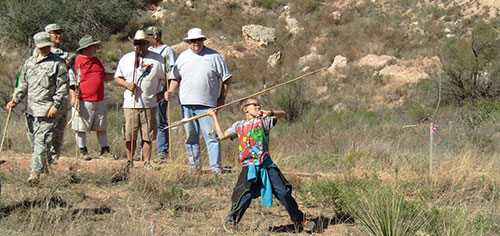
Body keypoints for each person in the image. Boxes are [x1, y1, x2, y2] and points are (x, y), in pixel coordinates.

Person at [207, 97, 315, 233]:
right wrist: (213, 116)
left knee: (284, 192)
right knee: (243, 195)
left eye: (259, 105)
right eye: (254, 105)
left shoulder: (263, 121)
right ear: (245, 109)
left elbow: (282, 114)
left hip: (266, 165)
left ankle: (300, 220)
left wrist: (269, 112)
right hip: (249, 167)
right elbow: (222, 136)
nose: (258, 107)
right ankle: (231, 221)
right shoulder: (238, 125)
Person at [165, 28, 232, 173]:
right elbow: (175, 78)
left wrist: (222, 98)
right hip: (186, 104)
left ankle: (216, 168)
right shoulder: (182, 57)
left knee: (211, 136)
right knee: (190, 136)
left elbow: (226, 78)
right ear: (188, 42)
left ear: (203, 41)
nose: (197, 43)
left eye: (199, 40)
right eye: (193, 41)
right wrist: (170, 91)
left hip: (207, 105)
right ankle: (194, 167)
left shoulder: (215, 56)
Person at [7, 32, 69, 185]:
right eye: (42, 47)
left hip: (47, 110)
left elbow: (63, 88)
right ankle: (46, 168)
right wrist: (15, 100)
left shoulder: (58, 63)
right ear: (36, 46)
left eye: (48, 46)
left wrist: (55, 105)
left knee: (42, 141)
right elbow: (23, 85)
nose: (46, 49)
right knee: (35, 142)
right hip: (31, 110)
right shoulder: (29, 63)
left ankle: (34, 174)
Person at [114, 30, 165, 170]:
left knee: (147, 133)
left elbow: (165, 78)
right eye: (136, 44)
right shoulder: (126, 59)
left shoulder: (158, 59)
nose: (139, 47)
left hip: (149, 103)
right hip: (130, 104)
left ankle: (146, 161)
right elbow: (117, 77)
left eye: (142, 44)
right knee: (130, 134)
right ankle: (129, 160)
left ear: (148, 44)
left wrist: (163, 92)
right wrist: (127, 85)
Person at [30, 23, 75, 163]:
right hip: (46, 99)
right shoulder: (39, 54)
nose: (58, 35)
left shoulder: (68, 53)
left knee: (59, 131)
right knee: (44, 131)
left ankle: (53, 160)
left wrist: (74, 94)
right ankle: (42, 160)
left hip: (63, 96)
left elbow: (71, 76)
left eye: (60, 33)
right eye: (54, 33)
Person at [135, 26, 179, 162]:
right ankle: (142, 151)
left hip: (160, 90)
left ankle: (162, 150)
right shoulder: (145, 52)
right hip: (145, 92)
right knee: (144, 121)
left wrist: (166, 90)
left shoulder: (167, 51)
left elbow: (170, 72)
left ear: (156, 36)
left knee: (160, 120)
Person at [70, 35, 115, 160]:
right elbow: (72, 81)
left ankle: (105, 149)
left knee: (101, 125)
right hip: (84, 100)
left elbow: (103, 76)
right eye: (93, 46)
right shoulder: (77, 61)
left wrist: (116, 75)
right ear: (85, 49)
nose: (96, 48)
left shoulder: (96, 61)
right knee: (81, 127)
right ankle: (82, 150)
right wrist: (74, 97)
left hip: (98, 99)